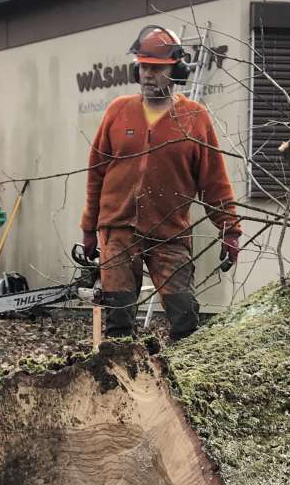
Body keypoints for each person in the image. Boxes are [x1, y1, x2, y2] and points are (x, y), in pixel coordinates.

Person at [80, 25, 240, 341]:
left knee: (184, 318)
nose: (148, 75)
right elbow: (96, 173)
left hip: (170, 232)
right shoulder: (118, 112)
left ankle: (180, 381)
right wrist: (88, 228)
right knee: (119, 321)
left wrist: (230, 229)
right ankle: (120, 381)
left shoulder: (195, 118)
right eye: (143, 68)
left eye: (156, 69)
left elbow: (214, 181)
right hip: (119, 231)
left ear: (176, 70)